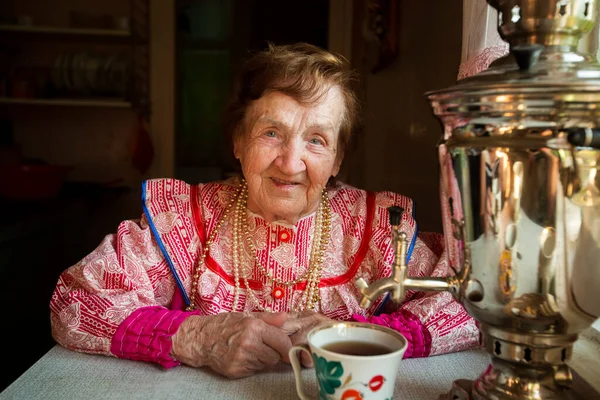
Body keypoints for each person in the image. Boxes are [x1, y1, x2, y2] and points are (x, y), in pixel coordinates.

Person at [50, 42, 479, 379]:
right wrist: (197, 337)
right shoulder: (183, 219)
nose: (290, 163)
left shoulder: (380, 228)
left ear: (338, 158)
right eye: (271, 133)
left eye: (316, 140)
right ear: (238, 141)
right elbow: (75, 302)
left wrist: (354, 336)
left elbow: (474, 298)